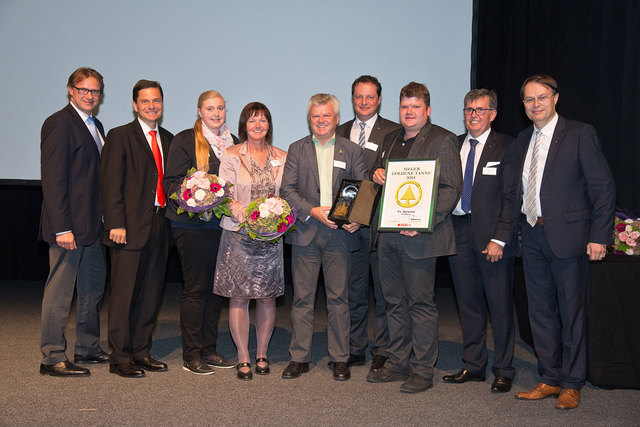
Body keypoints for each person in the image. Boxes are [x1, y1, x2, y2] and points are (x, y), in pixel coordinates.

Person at [508, 74, 615, 409]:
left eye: (541, 97)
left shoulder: (580, 134)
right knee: (540, 312)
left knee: (571, 313)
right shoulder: (523, 139)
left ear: (555, 98)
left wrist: (599, 236)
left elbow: (603, 189)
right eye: (529, 99)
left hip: (569, 238)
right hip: (532, 236)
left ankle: (572, 383)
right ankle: (549, 377)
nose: (535, 104)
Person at [367, 82, 462, 393]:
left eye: (415, 107)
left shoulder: (443, 139)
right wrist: (377, 174)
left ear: (428, 110)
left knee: (420, 304)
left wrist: (424, 223)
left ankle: (422, 368)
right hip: (388, 235)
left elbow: (451, 188)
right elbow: (381, 177)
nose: (408, 112)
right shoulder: (390, 138)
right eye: (404, 106)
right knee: (393, 302)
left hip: (420, 237)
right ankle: (398, 361)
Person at [280, 93, 367, 381]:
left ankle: (340, 358)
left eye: (326, 115)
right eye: (315, 116)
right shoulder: (296, 149)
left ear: (336, 119)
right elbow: (288, 191)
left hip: (340, 236)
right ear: (309, 119)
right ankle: (299, 357)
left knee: (339, 300)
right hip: (306, 231)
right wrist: (312, 211)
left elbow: (364, 190)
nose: (321, 120)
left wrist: (357, 218)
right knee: (302, 299)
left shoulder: (352, 150)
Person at [442, 89, 516, 393]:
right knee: (468, 303)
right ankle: (473, 365)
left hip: (492, 237)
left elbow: (511, 198)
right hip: (458, 231)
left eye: (481, 110)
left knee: (498, 305)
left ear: (493, 114)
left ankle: (504, 369)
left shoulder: (507, 147)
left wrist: (500, 238)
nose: (474, 115)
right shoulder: (453, 145)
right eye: (469, 109)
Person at [101, 79, 173, 378]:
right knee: (124, 295)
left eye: (156, 101)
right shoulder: (120, 136)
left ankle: (141, 351)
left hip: (160, 225)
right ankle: (120, 357)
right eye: (145, 101)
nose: (152, 106)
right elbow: (110, 184)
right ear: (135, 105)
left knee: (150, 294)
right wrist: (115, 223)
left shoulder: (168, 139)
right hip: (127, 228)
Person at [39, 67, 109, 376]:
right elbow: (54, 181)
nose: (90, 96)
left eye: (95, 91)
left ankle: (87, 348)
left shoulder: (96, 125)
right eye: (84, 90)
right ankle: (52, 356)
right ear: (71, 90)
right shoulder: (59, 124)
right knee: (61, 292)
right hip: (68, 227)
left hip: (93, 226)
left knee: (93, 288)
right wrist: (62, 228)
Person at [164, 91, 238, 375]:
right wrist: (197, 195)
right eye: (210, 108)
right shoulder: (185, 139)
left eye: (220, 108)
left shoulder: (232, 143)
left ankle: (210, 350)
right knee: (196, 289)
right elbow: (172, 183)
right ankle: (192, 355)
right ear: (199, 111)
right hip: (191, 226)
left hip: (222, 227)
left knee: (215, 290)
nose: (216, 113)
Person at [213, 102, 287, 381]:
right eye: (253, 120)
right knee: (239, 296)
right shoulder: (231, 154)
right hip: (239, 235)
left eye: (263, 120)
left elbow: (286, 193)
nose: (258, 125)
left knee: (267, 296)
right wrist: (248, 216)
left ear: (269, 125)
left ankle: (262, 353)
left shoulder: (282, 155)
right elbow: (224, 192)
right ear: (244, 125)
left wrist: (273, 218)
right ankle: (243, 355)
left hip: (270, 236)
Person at [335, 75, 401, 372]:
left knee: (385, 292)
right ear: (352, 99)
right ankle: (355, 346)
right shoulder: (338, 131)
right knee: (354, 290)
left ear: (379, 99)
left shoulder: (395, 131)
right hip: (348, 225)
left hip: (380, 224)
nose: (364, 102)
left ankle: (383, 349)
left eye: (369, 97)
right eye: (358, 97)